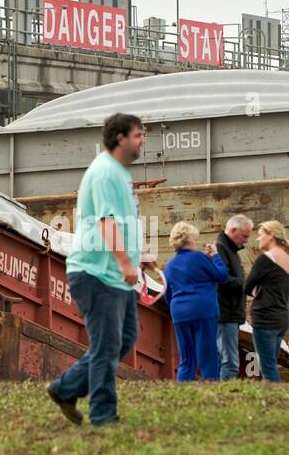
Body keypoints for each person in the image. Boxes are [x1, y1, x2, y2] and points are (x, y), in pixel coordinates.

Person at [47, 112, 148, 428]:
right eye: (138, 135)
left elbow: (122, 222)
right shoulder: (105, 172)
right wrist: (124, 262)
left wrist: (139, 256)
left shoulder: (120, 174)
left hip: (115, 275)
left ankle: (66, 389)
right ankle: (104, 416)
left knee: (124, 339)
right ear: (120, 138)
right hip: (96, 272)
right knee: (106, 347)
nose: (142, 140)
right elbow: (106, 222)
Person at [164, 221, 229, 381]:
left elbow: (167, 293)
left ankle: (184, 392)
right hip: (203, 310)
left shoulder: (170, 265)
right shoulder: (199, 257)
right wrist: (215, 256)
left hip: (180, 313)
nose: (197, 242)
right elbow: (222, 276)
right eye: (196, 239)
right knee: (207, 355)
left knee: (186, 358)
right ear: (189, 240)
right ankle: (210, 391)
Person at [243, 220, 289, 382]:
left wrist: (258, 292)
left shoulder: (266, 258)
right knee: (271, 363)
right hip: (281, 318)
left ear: (271, 235)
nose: (258, 239)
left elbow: (247, 286)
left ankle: (276, 401)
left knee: (267, 366)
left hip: (265, 317)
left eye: (260, 235)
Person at [214, 215, 253, 380]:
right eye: (244, 236)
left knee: (224, 357)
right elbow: (221, 279)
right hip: (226, 312)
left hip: (229, 312)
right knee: (229, 360)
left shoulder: (229, 249)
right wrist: (246, 285)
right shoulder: (222, 248)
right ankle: (225, 397)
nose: (246, 240)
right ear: (233, 230)